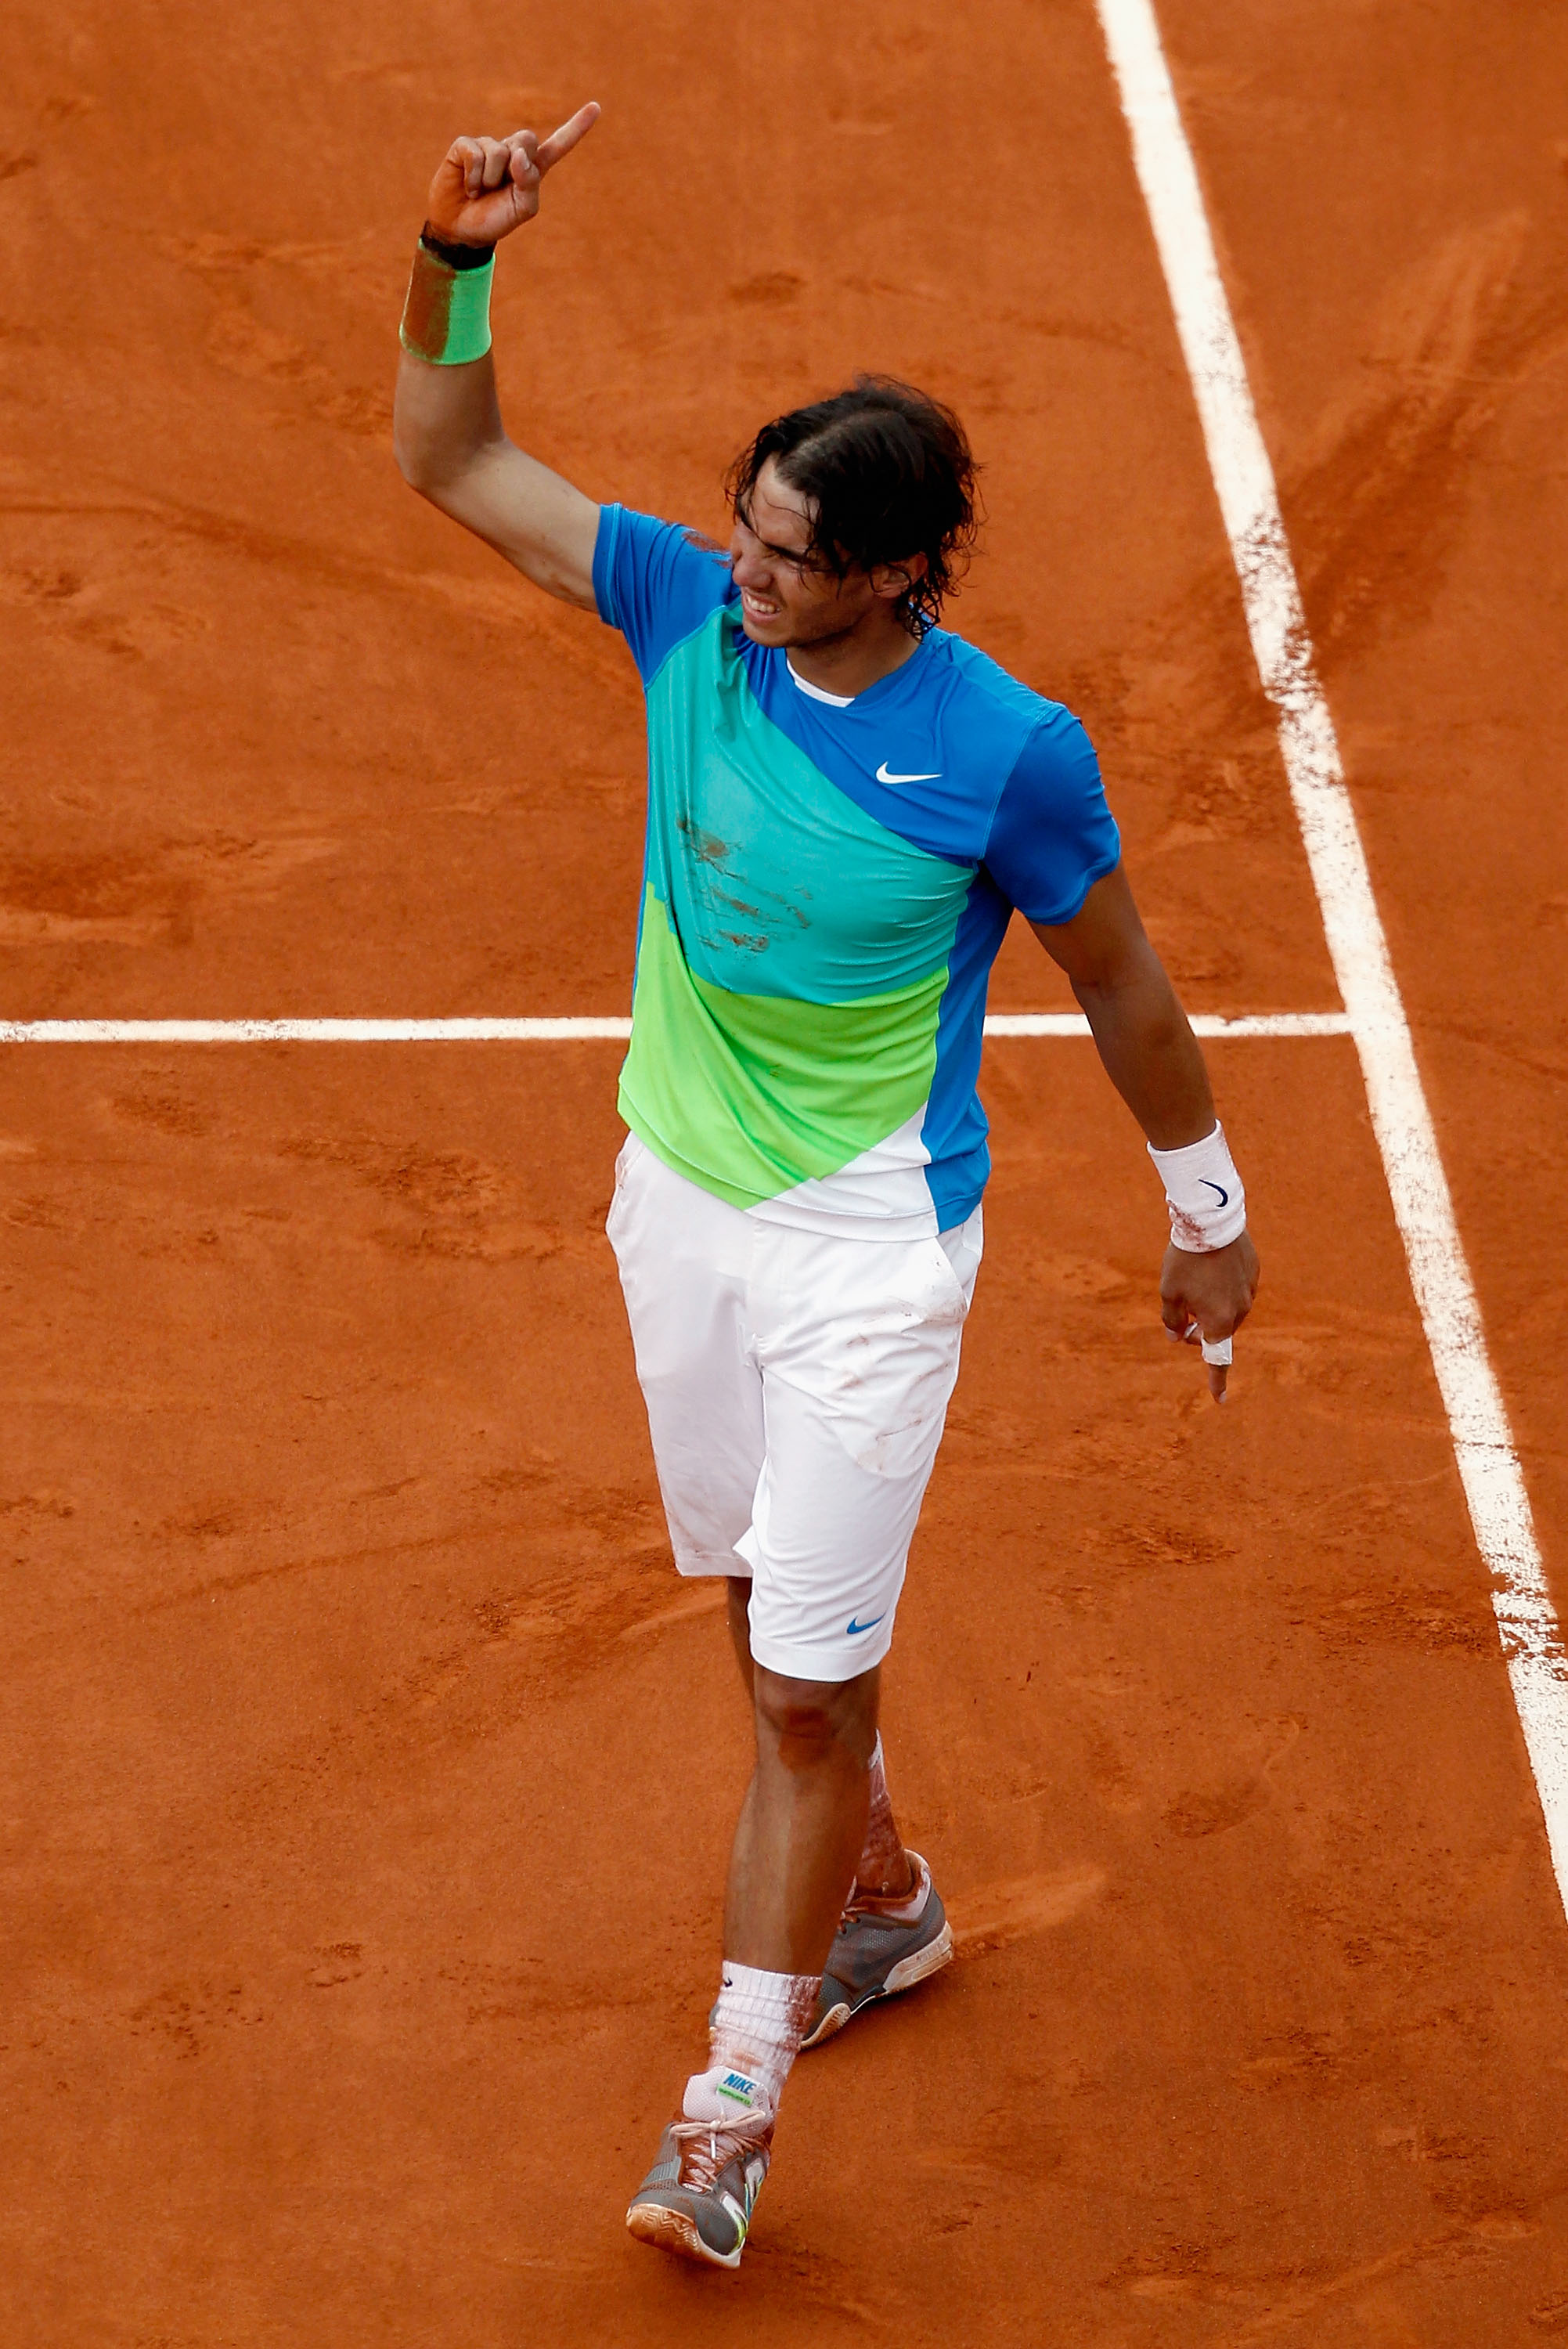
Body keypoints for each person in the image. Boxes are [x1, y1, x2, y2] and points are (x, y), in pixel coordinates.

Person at [393, 106, 1260, 2271]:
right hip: (670, 1210)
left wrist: (1209, 1211)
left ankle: (729, 2112)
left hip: (871, 1250)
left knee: (796, 1688)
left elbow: (1125, 986)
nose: (744, 569)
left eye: (787, 552)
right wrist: (453, 255)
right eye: (743, 531)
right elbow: (449, 456)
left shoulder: (1002, 751)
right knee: (754, 1609)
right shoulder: (682, 614)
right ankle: (875, 1901)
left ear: (890, 570)